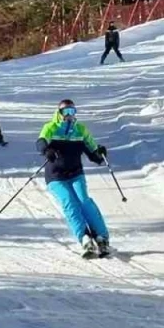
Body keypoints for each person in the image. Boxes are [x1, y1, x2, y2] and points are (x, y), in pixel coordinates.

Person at [37, 99, 111, 258]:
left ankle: (101, 236)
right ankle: (84, 236)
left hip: (75, 173)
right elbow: (41, 141)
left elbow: (93, 152)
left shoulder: (80, 130)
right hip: (55, 176)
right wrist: (46, 150)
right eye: (66, 112)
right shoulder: (51, 127)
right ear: (59, 113)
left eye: (72, 111)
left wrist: (101, 154)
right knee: (69, 202)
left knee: (84, 200)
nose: (69, 115)